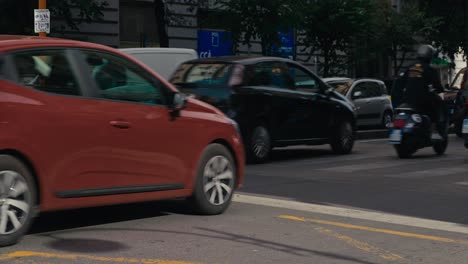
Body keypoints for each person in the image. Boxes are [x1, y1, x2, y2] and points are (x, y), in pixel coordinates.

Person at [399, 44, 445, 140]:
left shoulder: (410, 67)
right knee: (437, 105)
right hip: (422, 100)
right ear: (430, 56)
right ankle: (434, 131)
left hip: (407, 99)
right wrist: (440, 92)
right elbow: (437, 85)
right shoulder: (429, 69)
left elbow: (401, 82)